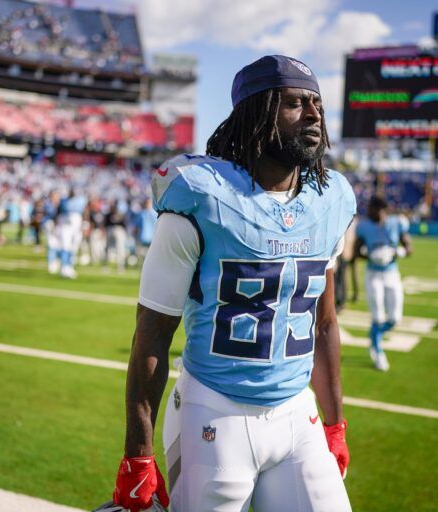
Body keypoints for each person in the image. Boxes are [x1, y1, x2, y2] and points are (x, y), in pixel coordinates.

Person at [111, 55, 355, 512]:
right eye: (295, 103)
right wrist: (137, 453)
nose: (313, 113)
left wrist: (334, 423)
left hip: (296, 411)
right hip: (214, 411)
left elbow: (323, 325)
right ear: (257, 112)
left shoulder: (331, 199)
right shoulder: (202, 195)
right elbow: (152, 333)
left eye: (316, 102)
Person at [353, 196, 412, 372]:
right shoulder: (364, 226)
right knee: (377, 317)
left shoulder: (397, 223)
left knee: (395, 319)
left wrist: (398, 252)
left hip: (392, 273)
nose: (370, 213)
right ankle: (377, 350)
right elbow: (357, 252)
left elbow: (409, 247)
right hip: (373, 274)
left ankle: (374, 337)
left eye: (374, 209)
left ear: (383, 210)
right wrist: (371, 255)